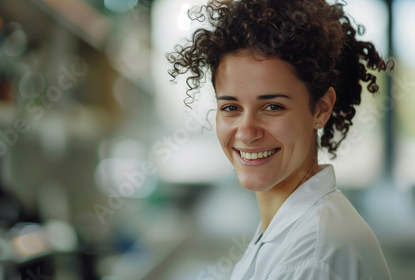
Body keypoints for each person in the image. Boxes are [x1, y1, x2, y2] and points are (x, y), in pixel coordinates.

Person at [167, 0, 393, 279]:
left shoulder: (312, 259)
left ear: (321, 109)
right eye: (230, 107)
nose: (246, 132)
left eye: (272, 107)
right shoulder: (290, 230)